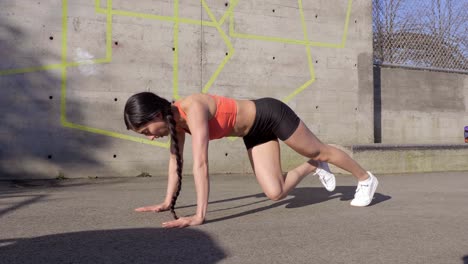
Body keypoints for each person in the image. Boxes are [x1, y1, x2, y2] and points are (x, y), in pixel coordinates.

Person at [124, 92, 378, 228]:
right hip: (253, 133)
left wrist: (200, 215)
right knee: (275, 192)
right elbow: (174, 163)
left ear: (156, 114)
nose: (149, 137)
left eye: (147, 131)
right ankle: (314, 165)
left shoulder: (193, 108)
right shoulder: (175, 123)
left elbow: (200, 163)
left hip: (270, 114)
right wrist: (167, 202)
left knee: (319, 149)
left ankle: (365, 179)